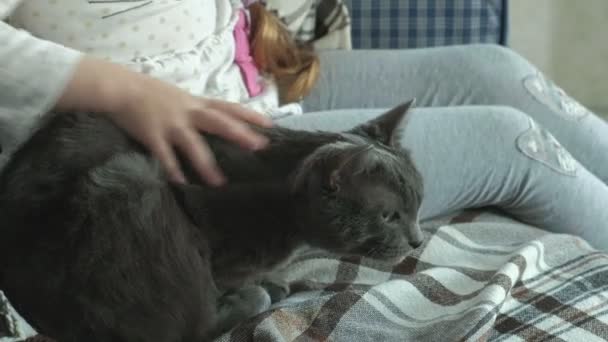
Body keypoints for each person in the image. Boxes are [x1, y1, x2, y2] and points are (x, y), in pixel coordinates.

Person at [1, 0, 608, 249]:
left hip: (249, 85)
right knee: (505, 143)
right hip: (156, 156)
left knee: (492, 69)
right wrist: (125, 92)